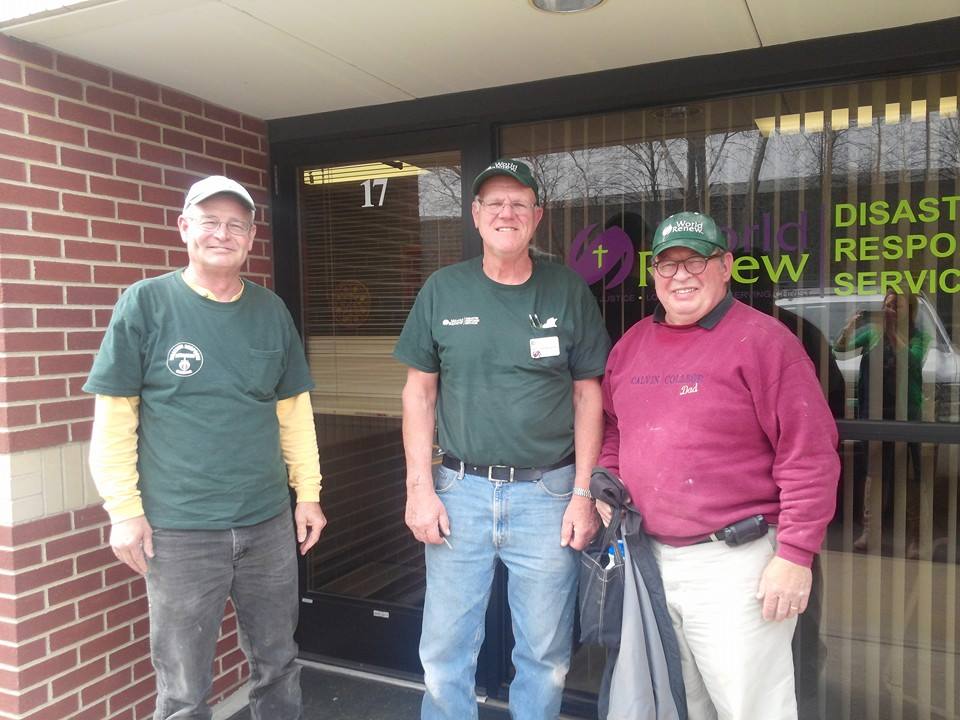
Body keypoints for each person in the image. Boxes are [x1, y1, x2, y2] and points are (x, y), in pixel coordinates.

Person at [84, 175, 326, 720]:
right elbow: (115, 420)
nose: (223, 234)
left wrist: (307, 495)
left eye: (236, 225)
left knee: (278, 664)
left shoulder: (271, 311)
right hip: (180, 531)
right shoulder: (145, 304)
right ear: (184, 228)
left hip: (267, 524)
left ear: (251, 237)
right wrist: (123, 511)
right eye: (210, 221)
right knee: (183, 688)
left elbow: (294, 414)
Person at [597, 211, 840, 720]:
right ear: (653, 273)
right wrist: (609, 478)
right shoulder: (631, 345)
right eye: (667, 264)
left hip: (737, 565)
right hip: (649, 558)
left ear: (725, 266)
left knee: (752, 708)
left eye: (696, 261)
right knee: (679, 704)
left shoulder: (767, 342)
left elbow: (809, 456)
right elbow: (614, 426)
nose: (681, 275)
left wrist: (795, 556)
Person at [394, 159, 611, 720]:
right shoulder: (443, 290)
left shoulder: (566, 291)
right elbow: (418, 394)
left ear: (537, 216)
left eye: (519, 203)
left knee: (545, 654)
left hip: (549, 495)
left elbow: (588, 396)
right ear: (475, 215)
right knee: (445, 650)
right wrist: (419, 488)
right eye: (494, 203)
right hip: (458, 491)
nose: (506, 213)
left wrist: (583, 494)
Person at [833, 290, 932, 554]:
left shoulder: (920, 337)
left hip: (907, 414)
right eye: (887, 305)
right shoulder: (873, 333)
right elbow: (839, 350)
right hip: (875, 412)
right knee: (874, 474)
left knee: (912, 476)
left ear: (910, 312)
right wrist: (850, 327)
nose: (890, 310)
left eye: (896, 306)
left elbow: (911, 362)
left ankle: (917, 537)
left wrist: (892, 333)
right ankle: (870, 532)